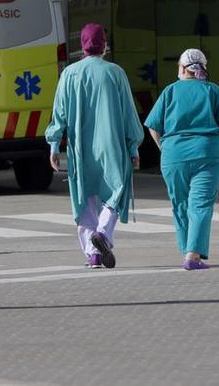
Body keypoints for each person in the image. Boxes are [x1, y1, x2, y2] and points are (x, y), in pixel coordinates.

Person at [45, 23, 143, 270]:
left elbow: (59, 114)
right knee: (115, 192)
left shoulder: (69, 74)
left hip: (81, 149)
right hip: (111, 145)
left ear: (83, 46)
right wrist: (133, 147)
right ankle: (103, 234)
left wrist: (54, 145)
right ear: (104, 45)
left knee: (85, 199)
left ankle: (93, 254)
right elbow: (128, 114)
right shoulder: (115, 73)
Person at [144, 48, 219, 271]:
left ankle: (187, 251)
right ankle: (192, 255)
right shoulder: (212, 91)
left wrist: (165, 148)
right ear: (203, 69)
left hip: (173, 155)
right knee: (201, 205)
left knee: (180, 205)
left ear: (181, 68)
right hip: (207, 153)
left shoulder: (169, 91)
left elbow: (152, 127)